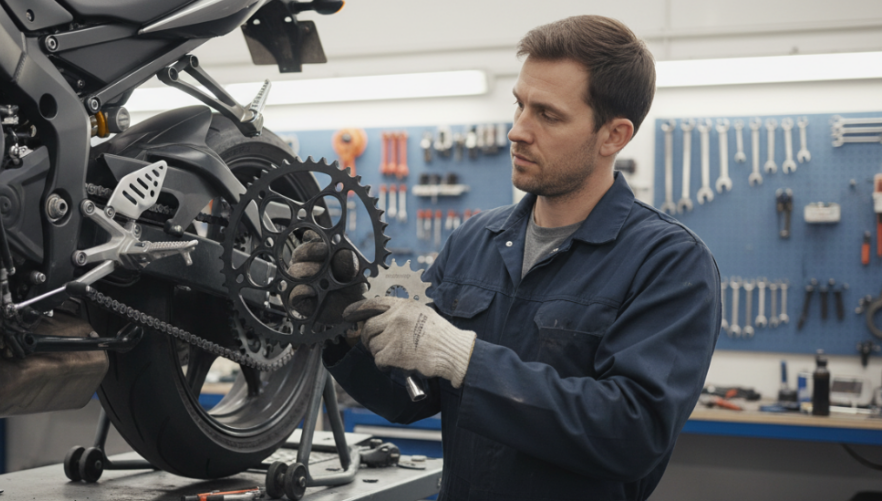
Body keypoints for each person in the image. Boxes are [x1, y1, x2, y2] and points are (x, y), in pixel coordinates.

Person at [290, 15, 720, 501]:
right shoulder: (475, 240)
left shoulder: (670, 263)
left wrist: (464, 359)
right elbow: (411, 396)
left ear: (614, 136)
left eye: (548, 115)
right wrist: (346, 331)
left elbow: (633, 434)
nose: (517, 131)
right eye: (520, 105)